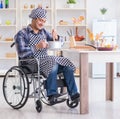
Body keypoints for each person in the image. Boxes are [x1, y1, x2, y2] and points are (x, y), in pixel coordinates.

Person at [14, 7, 80, 105]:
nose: (42, 23)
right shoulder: (22, 34)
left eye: (44, 21)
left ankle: (74, 94)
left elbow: (60, 43)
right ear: (34, 18)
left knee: (66, 66)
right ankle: (52, 95)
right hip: (30, 63)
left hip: (45, 61)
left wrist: (56, 37)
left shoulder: (43, 32)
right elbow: (21, 52)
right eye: (40, 20)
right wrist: (37, 47)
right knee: (52, 61)